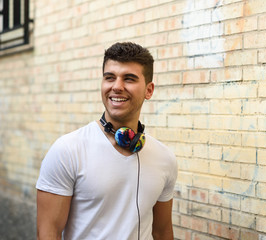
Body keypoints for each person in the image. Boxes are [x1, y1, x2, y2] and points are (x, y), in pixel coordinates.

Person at [36, 42, 178, 240]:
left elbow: (162, 232)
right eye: (109, 77)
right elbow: (48, 232)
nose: (117, 86)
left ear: (149, 90)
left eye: (129, 79)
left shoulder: (165, 158)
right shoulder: (67, 150)